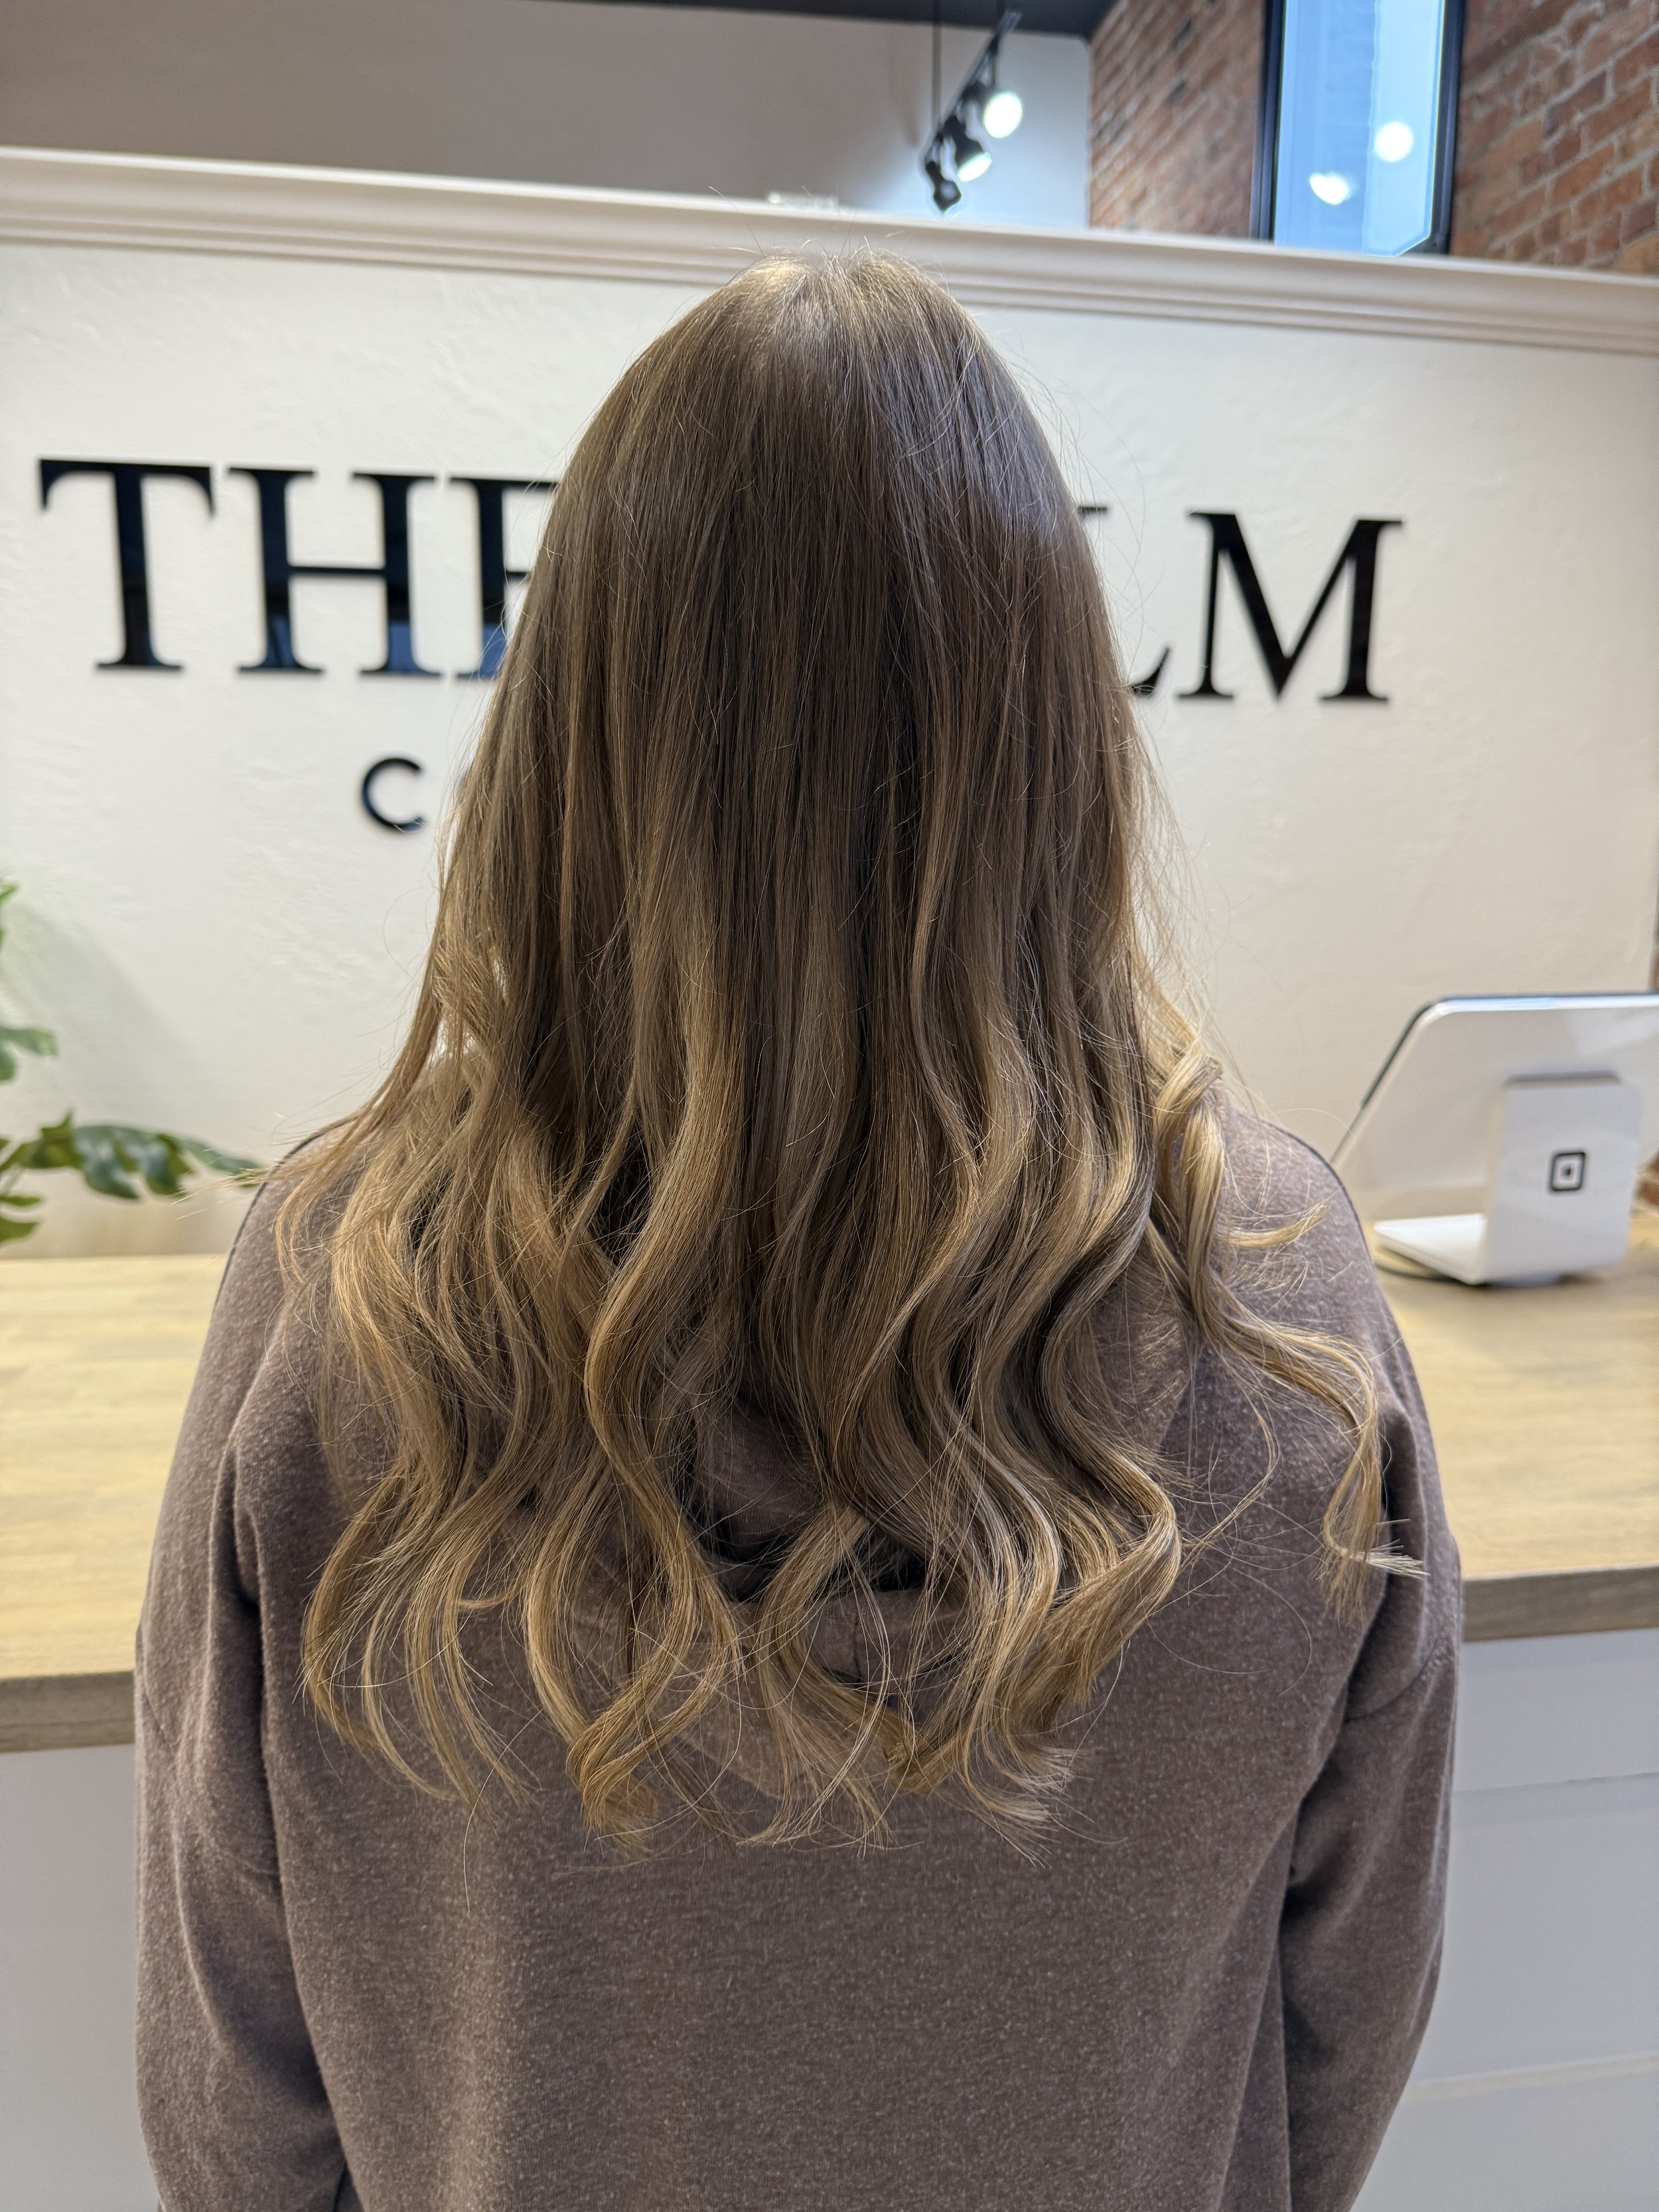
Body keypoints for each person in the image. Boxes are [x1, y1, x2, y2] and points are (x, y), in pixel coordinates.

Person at [135, 253, 1457, 2212]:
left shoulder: (346, 1297)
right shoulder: (1273, 1292)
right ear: (1056, 748)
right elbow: (1339, 2020)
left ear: (567, 735)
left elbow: (235, 2086)